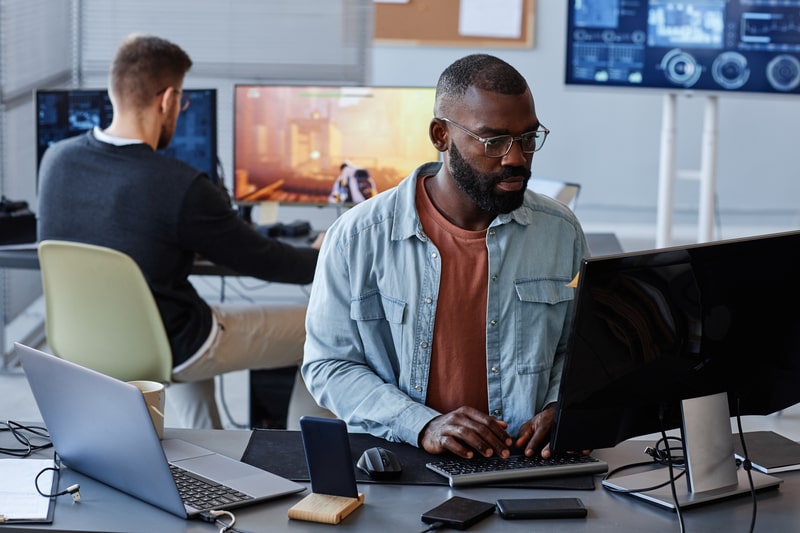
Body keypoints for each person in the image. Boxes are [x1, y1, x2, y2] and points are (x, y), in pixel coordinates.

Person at [302, 54, 589, 460]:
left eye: (528, 138)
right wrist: (419, 424)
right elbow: (329, 366)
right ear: (441, 136)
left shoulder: (561, 231)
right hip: (404, 458)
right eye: (494, 142)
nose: (516, 159)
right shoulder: (358, 237)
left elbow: (580, 349)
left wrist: (561, 406)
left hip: (528, 462)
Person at [37, 33, 326, 429]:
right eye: (181, 101)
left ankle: (206, 452)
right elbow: (267, 260)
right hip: (173, 345)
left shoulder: (56, 161)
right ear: (168, 100)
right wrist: (324, 252)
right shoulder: (181, 186)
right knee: (321, 329)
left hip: (86, 345)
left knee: (186, 314)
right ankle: (299, 462)